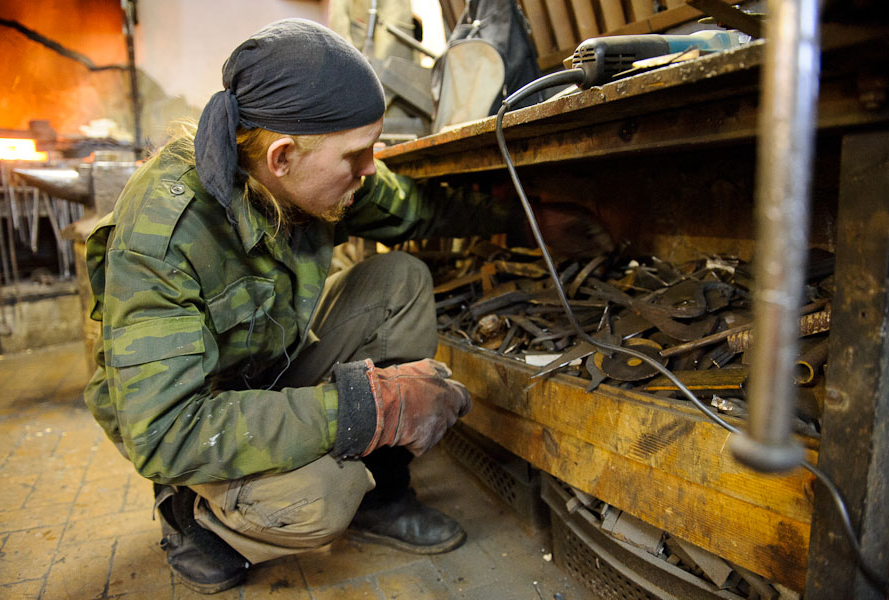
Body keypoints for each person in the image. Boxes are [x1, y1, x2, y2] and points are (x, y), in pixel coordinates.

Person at [83, 18, 611, 595]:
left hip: (270, 370)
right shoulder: (165, 233)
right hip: (198, 419)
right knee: (322, 497)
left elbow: (415, 210)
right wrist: (371, 407)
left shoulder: (310, 167)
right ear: (282, 157)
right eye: (357, 156)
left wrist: (529, 222)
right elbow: (166, 431)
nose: (369, 170)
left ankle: (382, 496)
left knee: (400, 280)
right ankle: (197, 515)